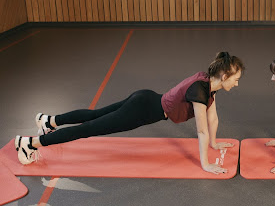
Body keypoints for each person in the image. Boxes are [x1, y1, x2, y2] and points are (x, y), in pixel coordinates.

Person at [15, 52, 244, 175]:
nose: (236, 84)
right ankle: (31, 143)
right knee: (90, 128)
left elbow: (212, 118)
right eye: (235, 79)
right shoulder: (200, 91)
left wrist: (215, 144)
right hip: (142, 110)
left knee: (95, 116)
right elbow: (202, 130)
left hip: (145, 98)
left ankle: (49, 121)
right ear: (224, 77)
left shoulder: (207, 83)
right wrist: (205, 163)